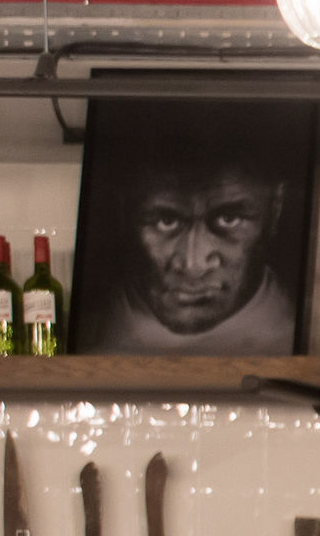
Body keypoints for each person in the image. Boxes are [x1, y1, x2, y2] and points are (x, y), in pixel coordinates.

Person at [85, 104, 306, 354]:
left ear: (275, 209)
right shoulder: (89, 329)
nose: (193, 265)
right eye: (166, 221)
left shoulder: (294, 338)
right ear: (123, 211)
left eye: (229, 219)